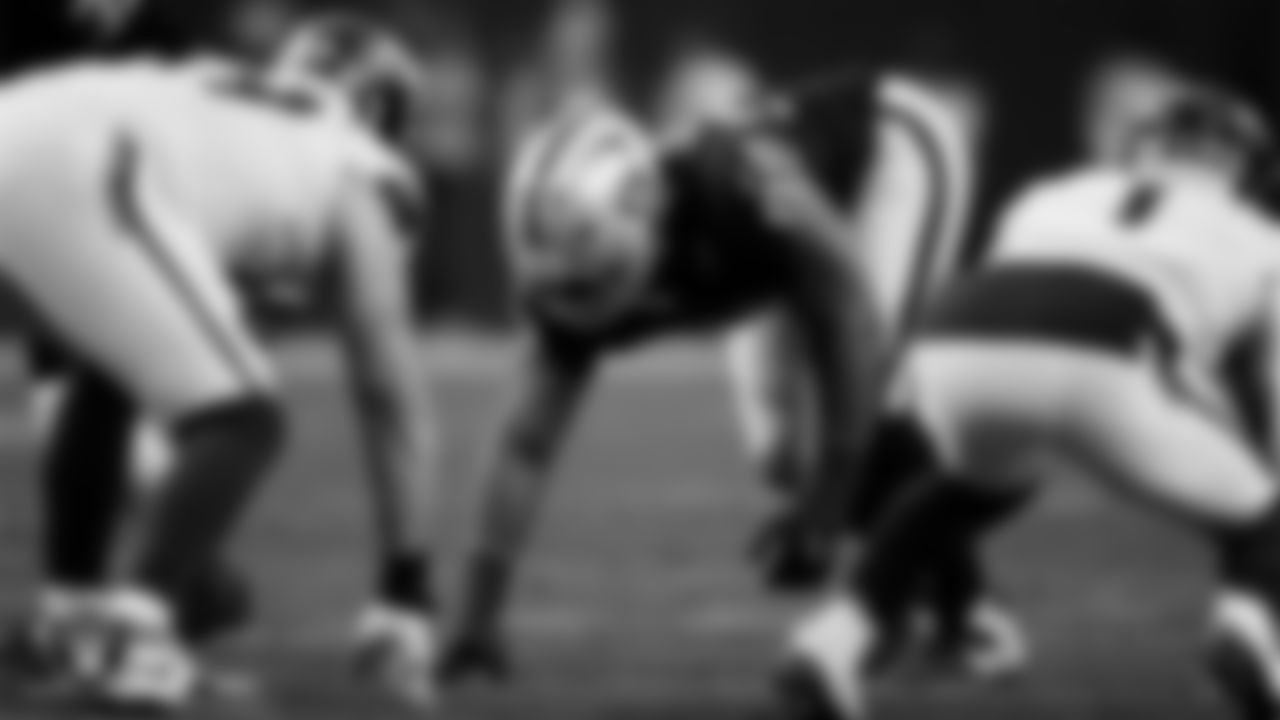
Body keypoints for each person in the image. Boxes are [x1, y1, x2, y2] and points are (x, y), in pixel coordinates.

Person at [781, 90, 1280, 720]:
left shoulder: (1057, 194)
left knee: (967, 488)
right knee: (1263, 518)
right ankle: (1250, 637)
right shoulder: (1262, 240)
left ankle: (830, 645)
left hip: (958, 339)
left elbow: (1022, 279)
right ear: (1247, 168)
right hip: (1107, 346)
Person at [0, 14, 441, 712]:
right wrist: (405, 586)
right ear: (381, 112)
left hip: (22, 121)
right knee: (244, 420)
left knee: (108, 373)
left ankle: (71, 616)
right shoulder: (358, 161)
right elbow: (386, 383)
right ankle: (135, 640)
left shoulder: (221, 98)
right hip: (86, 159)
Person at [438, 69, 894, 680]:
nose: (579, 297)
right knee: (781, 459)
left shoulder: (737, 194)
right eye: (567, 280)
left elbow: (848, 307)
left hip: (886, 160)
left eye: (590, 276)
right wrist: (477, 616)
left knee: (886, 389)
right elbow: (525, 445)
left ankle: (951, 612)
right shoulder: (596, 256)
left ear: (642, 209)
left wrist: (829, 503)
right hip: (781, 265)